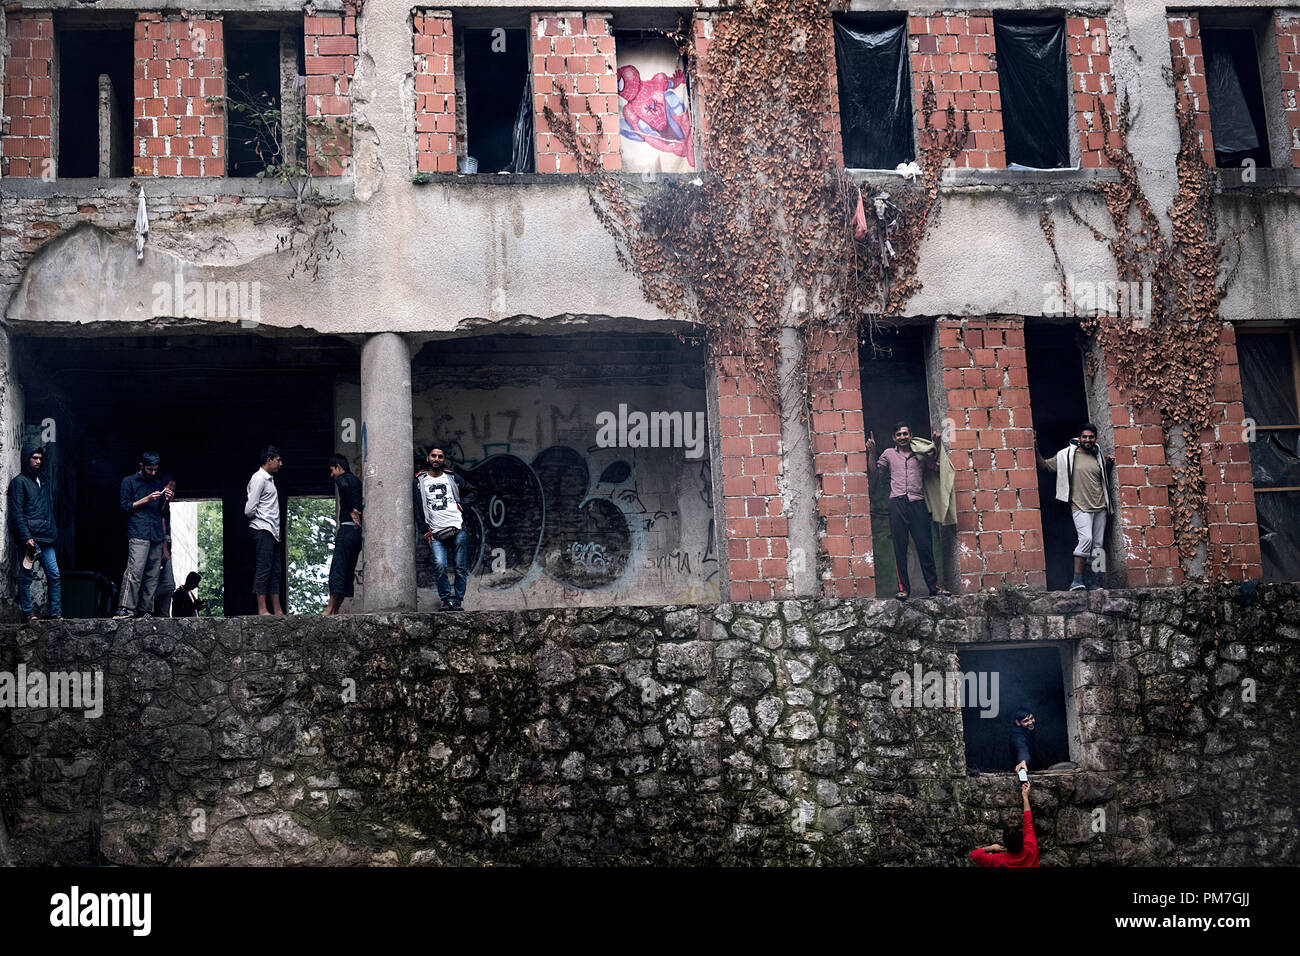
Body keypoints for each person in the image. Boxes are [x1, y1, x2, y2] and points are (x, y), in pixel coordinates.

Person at [867, 421, 952, 600]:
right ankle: (904, 589)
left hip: (917, 503)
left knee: (925, 546)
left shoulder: (920, 455)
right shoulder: (888, 454)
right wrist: (872, 452)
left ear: (911, 435)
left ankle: (934, 588)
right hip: (897, 504)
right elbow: (874, 474)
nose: (902, 437)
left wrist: (937, 444)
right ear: (894, 438)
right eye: (898, 434)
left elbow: (936, 468)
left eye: (905, 434)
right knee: (900, 547)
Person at [1034, 422, 1115, 590]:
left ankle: (1094, 581)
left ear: (1095, 438)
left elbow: (1100, 477)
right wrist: (1034, 446)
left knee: (1098, 546)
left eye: (1091, 437)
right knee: (1086, 539)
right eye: (1084, 436)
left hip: (1100, 505)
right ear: (1079, 438)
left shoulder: (1097, 455)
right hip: (1080, 505)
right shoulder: (1066, 455)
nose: (1087, 439)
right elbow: (1044, 465)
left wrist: (1108, 465)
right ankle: (1077, 581)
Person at [414, 445, 475, 610]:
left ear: (444, 460)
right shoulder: (420, 480)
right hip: (435, 532)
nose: (436, 459)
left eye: (440, 456)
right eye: (433, 456)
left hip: (457, 528)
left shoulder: (451, 476)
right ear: (428, 458)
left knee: (460, 567)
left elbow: (472, 490)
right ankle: (446, 600)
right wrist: (425, 531)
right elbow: (417, 508)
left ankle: (458, 602)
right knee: (440, 566)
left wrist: (461, 506)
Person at [7, 443, 61, 622]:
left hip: (46, 538)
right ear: (26, 459)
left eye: (40, 458)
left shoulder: (43, 481)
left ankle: (56, 613)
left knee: (54, 575)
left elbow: (49, 510)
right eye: (34, 458)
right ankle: (28, 613)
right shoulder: (19, 482)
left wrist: (53, 532)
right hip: (31, 539)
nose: (38, 461)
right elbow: (17, 512)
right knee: (26, 576)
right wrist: (26, 537)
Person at [116, 451, 170, 618]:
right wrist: (146, 499)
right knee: (135, 571)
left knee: (153, 574)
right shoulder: (128, 482)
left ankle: (145, 610)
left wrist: (167, 499)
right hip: (138, 531)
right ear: (141, 466)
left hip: (156, 534)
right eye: (149, 469)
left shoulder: (159, 484)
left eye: (155, 469)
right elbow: (124, 507)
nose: (153, 472)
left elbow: (163, 512)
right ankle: (126, 607)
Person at [323, 453, 363, 615]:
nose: (331, 474)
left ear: (339, 467)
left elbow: (344, 486)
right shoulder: (358, 481)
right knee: (347, 570)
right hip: (357, 533)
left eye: (332, 470)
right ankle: (336, 609)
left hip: (347, 529)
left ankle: (329, 608)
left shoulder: (343, 479)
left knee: (338, 568)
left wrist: (350, 509)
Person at [246, 446, 284, 616]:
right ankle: (262, 609)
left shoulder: (269, 480)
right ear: (269, 460)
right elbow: (249, 509)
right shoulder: (259, 479)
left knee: (275, 570)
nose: (280, 464)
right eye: (278, 460)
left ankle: (277, 609)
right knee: (264, 568)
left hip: (273, 531)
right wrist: (261, 519)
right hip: (263, 528)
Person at [970, 780, 1039, 867]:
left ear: (1005, 845)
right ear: (1022, 840)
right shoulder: (1031, 849)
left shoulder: (999, 860)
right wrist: (1025, 797)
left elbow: (974, 855)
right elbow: (1028, 821)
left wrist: (991, 848)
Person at [153, 475, 177, 617]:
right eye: (170, 487)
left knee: (168, 585)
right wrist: (165, 550)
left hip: (165, 549)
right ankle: (145, 605)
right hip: (159, 549)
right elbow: (161, 523)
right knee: (167, 585)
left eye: (174, 489)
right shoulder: (155, 501)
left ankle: (163, 615)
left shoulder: (165, 505)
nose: (171, 491)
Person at [1009, 707, 1042, 775]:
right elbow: (1021, 747)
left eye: (1031, 718)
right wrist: (1023, 761)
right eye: (1026, 721)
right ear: (1018, 723)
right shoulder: (1017, 735)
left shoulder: (1033, 729)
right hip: (1024, 771)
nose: (1030, 722)